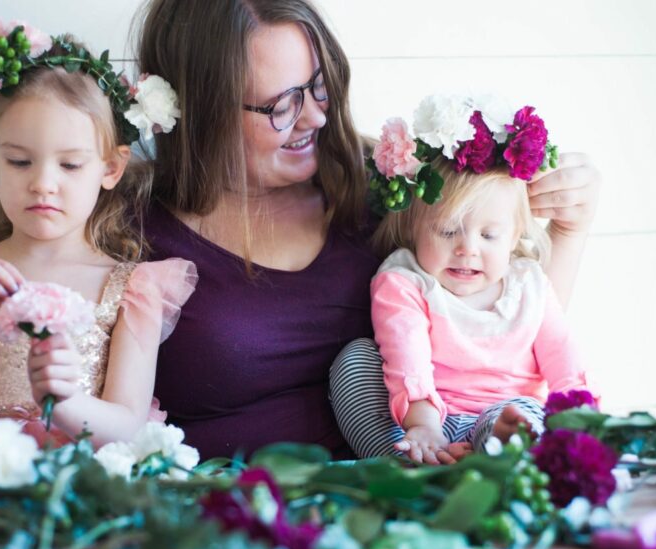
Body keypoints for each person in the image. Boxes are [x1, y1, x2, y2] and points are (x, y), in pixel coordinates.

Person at [128, 0, 600, 460]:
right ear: (200, 109)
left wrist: (570, 230)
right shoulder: (133, 229)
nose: (315, 117)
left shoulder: (387, 188)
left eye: (318, 87)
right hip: (234, 505)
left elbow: (510, 327)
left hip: (418, 477)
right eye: (281, 105)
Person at [0, 21, 195, 472]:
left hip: (80, 489)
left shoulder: (132, 287)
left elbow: (129, 425)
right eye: (19, 161)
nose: (42, 184)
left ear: (110, 168)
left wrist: (66, 401)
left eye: (71, 165)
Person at [338, 100, 591, 464]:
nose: (467, 249)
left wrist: (581, 417)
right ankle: (413, 461)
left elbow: (562, 355)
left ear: (516, 235)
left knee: (522, 412)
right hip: (422, 420)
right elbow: (406, 357)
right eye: (447, 230)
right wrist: (424, 427)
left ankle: (501, 454)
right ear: (414, 226)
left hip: (501, 414)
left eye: (489, 236)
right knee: (355, 361)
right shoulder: (406, 281)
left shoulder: (529, 285)